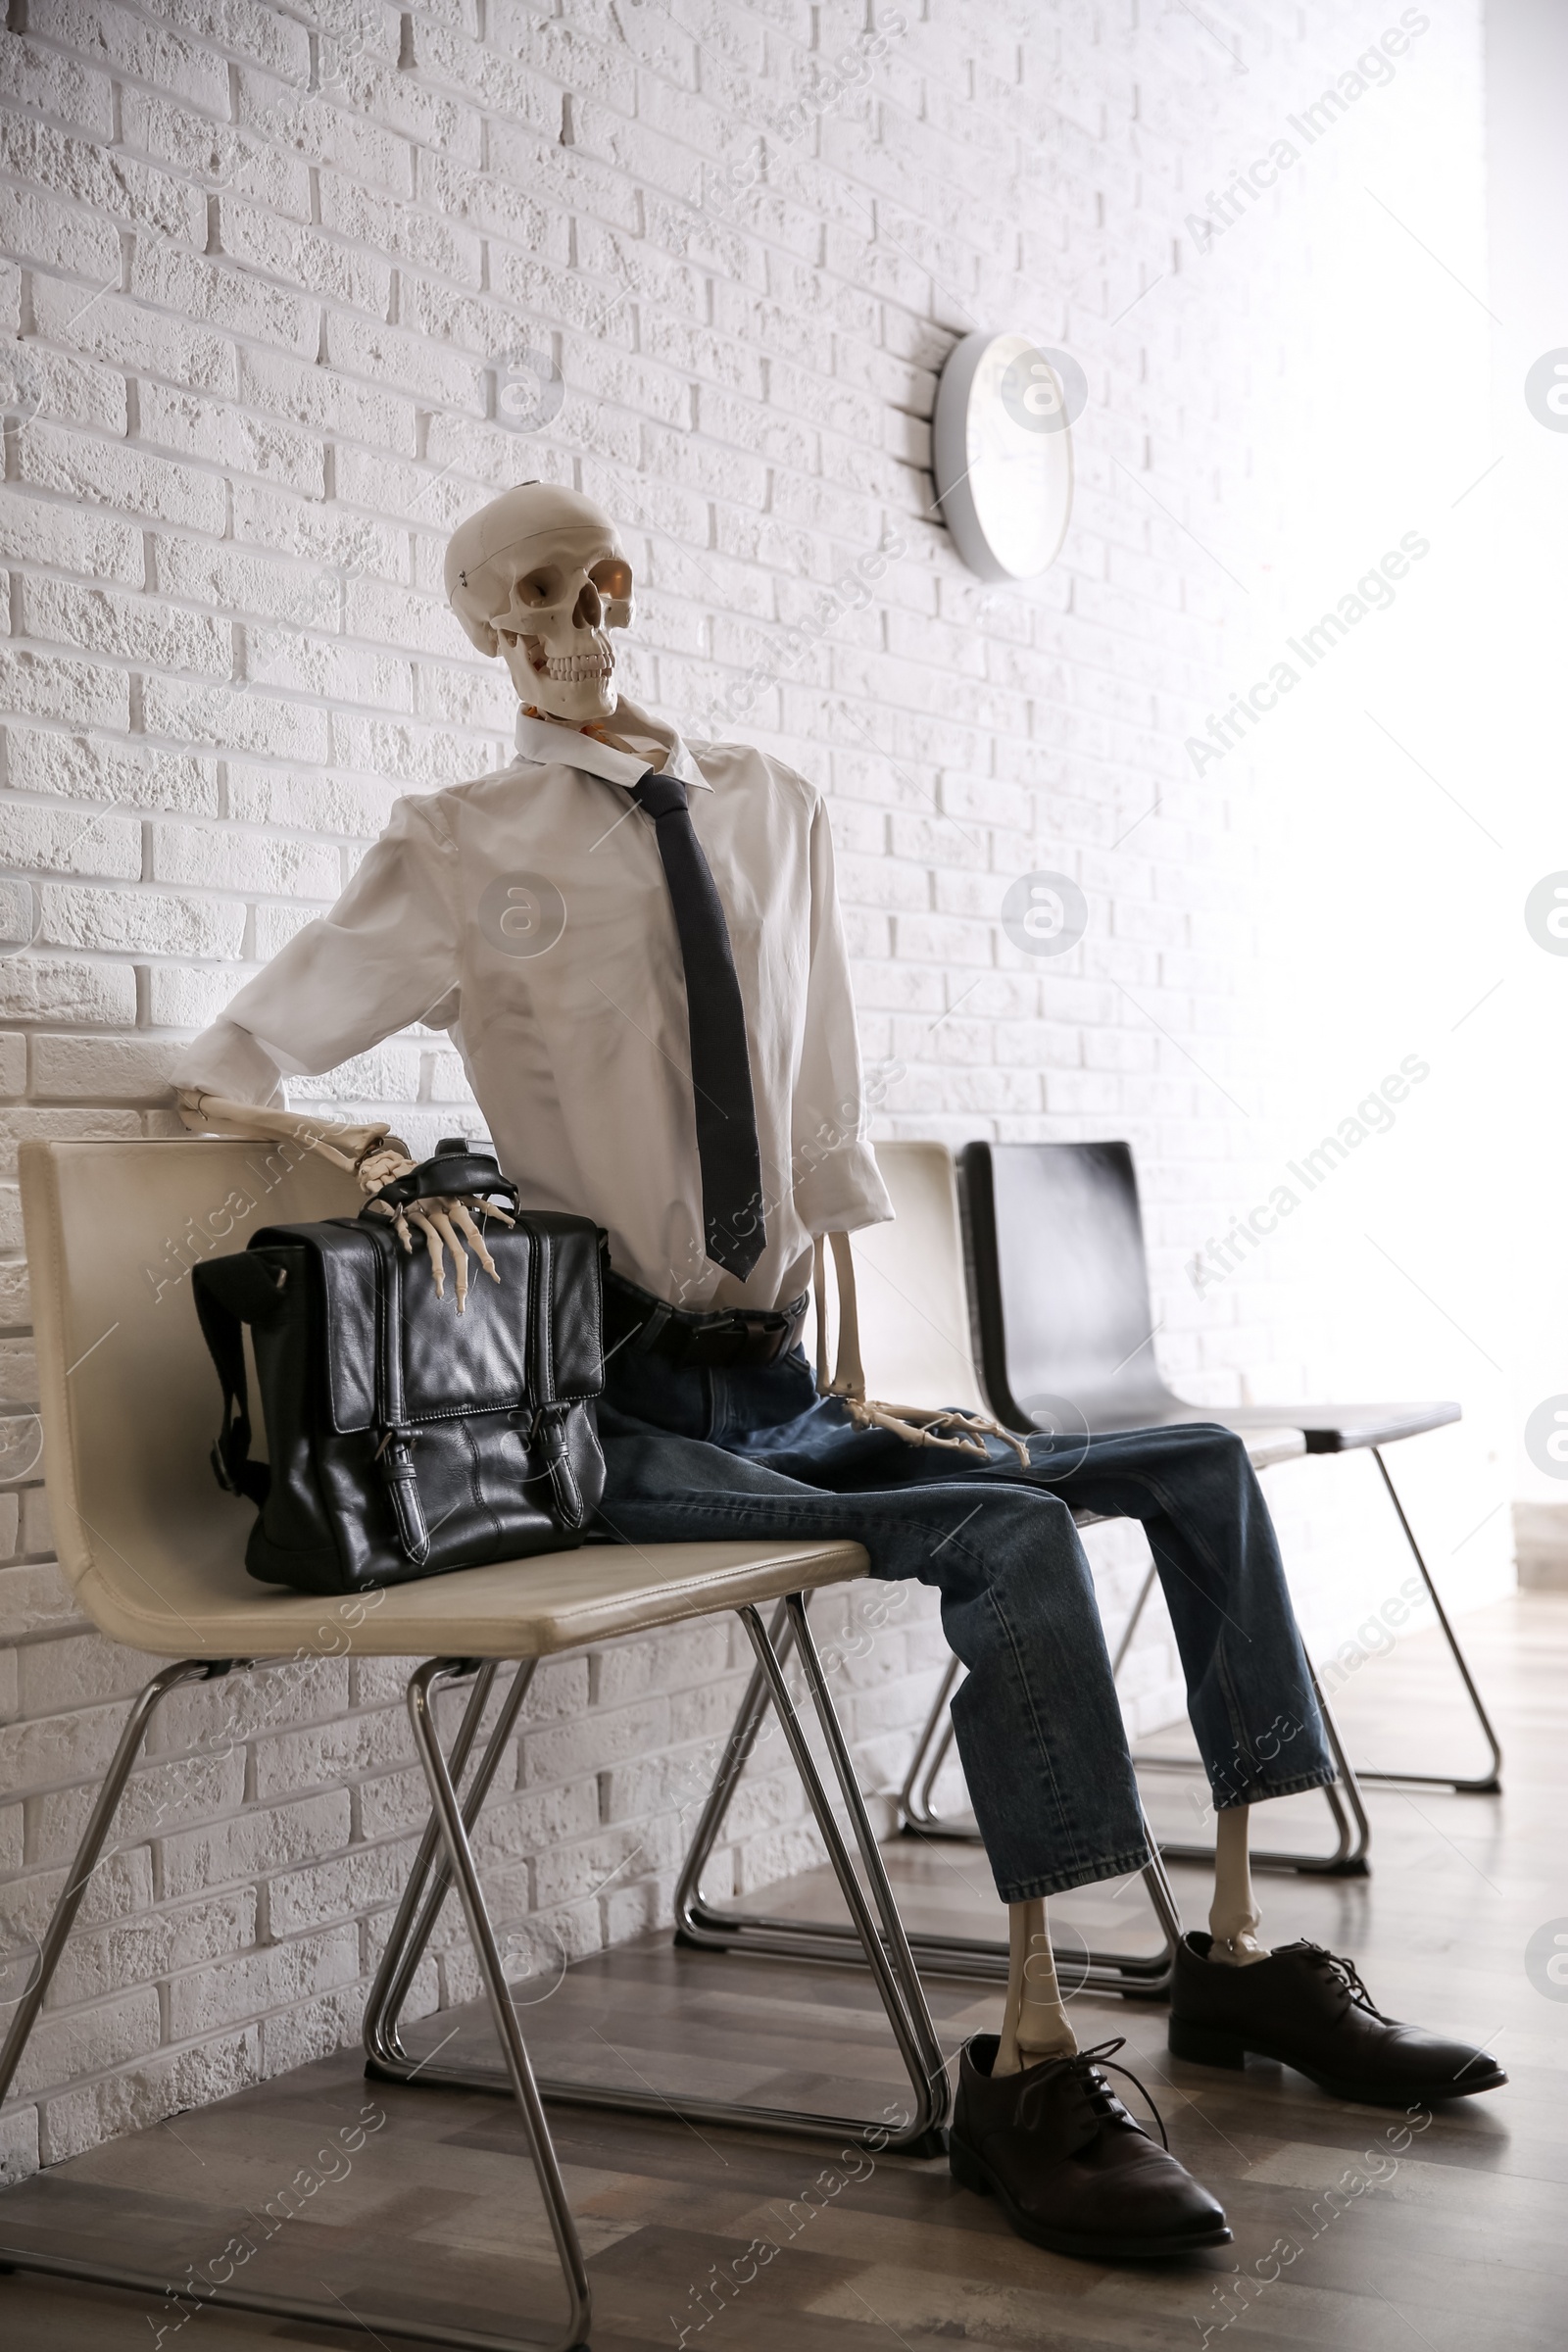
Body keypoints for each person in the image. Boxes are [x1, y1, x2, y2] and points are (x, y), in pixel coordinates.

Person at [175, 482, 1503, 2266]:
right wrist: (370, 1153)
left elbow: (819, 1134)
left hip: (790, 1375)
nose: (589, 621)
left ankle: (1245, 1962)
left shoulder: (773, 811)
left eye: (602, 582)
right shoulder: (462, 842)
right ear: (492, 628)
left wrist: (865, 1387)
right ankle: (1029, 2061)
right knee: (1012, 1542)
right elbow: (233, 1054)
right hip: (612, 1412)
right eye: (542, 598)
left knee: (1196, 1466)